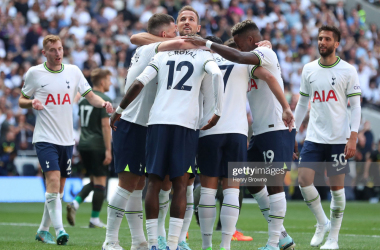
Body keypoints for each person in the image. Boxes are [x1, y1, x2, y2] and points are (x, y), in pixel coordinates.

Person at [183, 20, 296, 250]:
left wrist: (286, 108)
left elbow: (265, 72)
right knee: (246, 183)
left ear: (250, 41)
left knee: (215, 188)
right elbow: (242, 59)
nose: (237, 48)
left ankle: (276, 242)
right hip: (247, 132)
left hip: (272, 127)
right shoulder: (243, 62)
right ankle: (273, 237)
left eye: (238, 44)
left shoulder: (258, 54)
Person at [110, 26, 224, 250]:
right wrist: (217, 111)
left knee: (153, 182)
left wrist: (119, 109)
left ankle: (153, 243)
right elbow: (218, 74)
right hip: (186, 125)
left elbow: (139, 82)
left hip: (158, 122)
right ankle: (173, 244)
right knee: (181, 184)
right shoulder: (203, 55)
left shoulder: (162, 54)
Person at [19, 34, 113, 245]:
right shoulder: (35, 73)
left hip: (67, 140)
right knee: (52, 180)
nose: (58, 53)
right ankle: (60, 230)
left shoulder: (74, 72)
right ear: (45, 53)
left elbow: (91, 96)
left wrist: (103, 104)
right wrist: (31, 102)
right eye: (53, 50)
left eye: (60, 49)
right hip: (44, 138)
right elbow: (20, 99)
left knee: (58, 190)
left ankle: (43, 230)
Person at [101, 14, 178, 250]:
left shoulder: (150, 48)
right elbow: (136, 37)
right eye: (174, 32)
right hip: (132, 124)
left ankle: (138, 241)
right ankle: (110, 240)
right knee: (127, 183)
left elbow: (136, 37)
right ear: (164, 35)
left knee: (137, 184)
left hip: (143, 125)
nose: (177, 37)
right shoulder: (153, 49)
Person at [294, 25, 361, 249]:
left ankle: (333, 238)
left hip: (339, 139)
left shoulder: (348, 70)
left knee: (337, 190)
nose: (322, 42)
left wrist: (353, 137)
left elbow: (356, 106)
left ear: (337, 44)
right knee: (303, 180)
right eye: (320, 38)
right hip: (314, 137)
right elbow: (303, 102)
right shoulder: (309, 69)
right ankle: (322, 222)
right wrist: (293, 130)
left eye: (327, 39)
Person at [66, 68, 112, 229]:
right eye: (108, 80)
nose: (110, 83)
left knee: (94, 181)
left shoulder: (84, 100)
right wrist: (108, 150)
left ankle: (75, 203)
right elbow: (106, 127)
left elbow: (79, 122)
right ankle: (94, 219)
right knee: (101, 182)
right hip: (97, 144)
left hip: (84, 144)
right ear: (102, 81)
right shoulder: (104, 99)